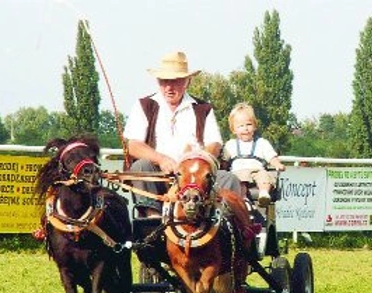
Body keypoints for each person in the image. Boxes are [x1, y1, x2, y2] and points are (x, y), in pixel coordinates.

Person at [123, 51, 241, 217]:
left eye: (176, 82)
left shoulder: (202, 108)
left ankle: (222, 225)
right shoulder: (144, 105)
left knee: (229, 179)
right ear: (158, 81)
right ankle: (153, 219)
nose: (169, 88)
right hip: (160, 175)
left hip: (196, 176)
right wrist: (162, 159)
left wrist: (196, 161)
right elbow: (134, 145)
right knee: (140, 167)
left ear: (188, 82)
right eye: (164, 81)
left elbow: (214, 144)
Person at [223, 102, 286, 207]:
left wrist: (277, 164)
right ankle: (243, 200)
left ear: (255, 126)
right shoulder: (231, 145)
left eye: (249, 124)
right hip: (239, 173)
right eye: (241, 126)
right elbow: (224, 161)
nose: (245, 129)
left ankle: (264, 194)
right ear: (234, 129)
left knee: (265, 177)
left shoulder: (262, 143)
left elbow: (271, 157)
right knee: (237, 181)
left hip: (257, 171)